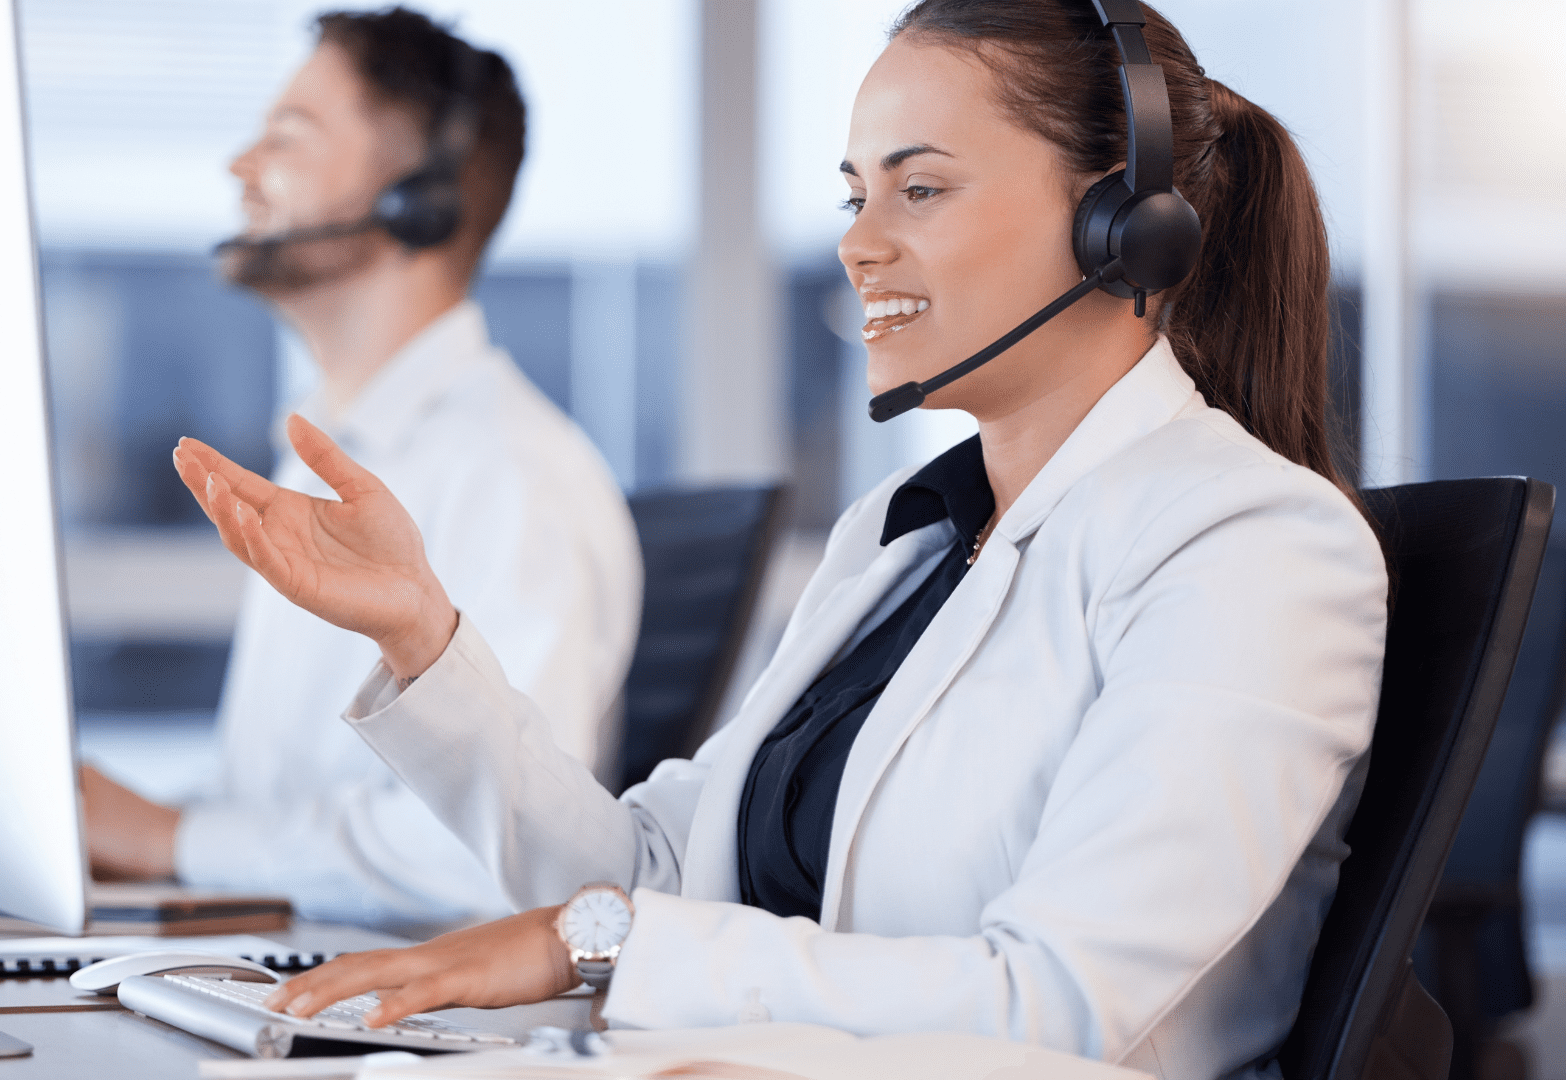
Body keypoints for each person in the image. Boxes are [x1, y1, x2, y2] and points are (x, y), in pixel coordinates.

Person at [169, 2, 1386, 1076]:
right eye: (854, 194)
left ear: (1126, 221)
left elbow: (1055, 1007)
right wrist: (427, 641)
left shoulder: (1252, 550)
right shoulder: (899, 548)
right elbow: (644, 871)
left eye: (921, 187)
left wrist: (606, 947)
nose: (860, 242)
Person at [80, 8, 643, 936]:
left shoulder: (509, 474)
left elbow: (480, 857)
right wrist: (128, 828)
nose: (239, 167)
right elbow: (276, 797)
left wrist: (174, 839)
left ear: (419, 195)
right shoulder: (341, 453)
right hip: (294, 964)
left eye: (287, 138)